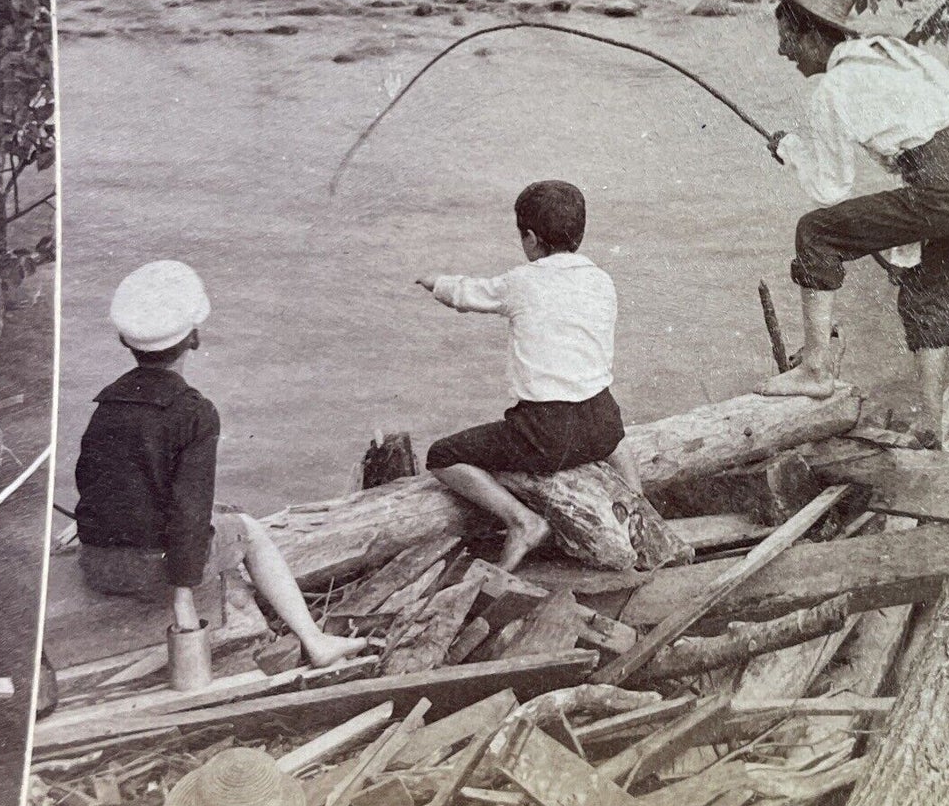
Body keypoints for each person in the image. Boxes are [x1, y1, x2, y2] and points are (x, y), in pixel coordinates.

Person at [759, 0, 949, 448]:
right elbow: (932, 135)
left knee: (815, 233)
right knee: (925, 293)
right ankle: (931, 427)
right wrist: (903, 245)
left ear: (815, 35)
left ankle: (815, 369)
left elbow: (830, 188)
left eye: (788, 41)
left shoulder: (833, 89)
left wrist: (790, 150)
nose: (784, 54)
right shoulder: (892, 53)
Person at [73, 260, 366, 669]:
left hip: (97, 563)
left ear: (125, 340)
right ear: (194, 337)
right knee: (248, 529)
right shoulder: (195, 412)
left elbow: (93, 482)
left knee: (214, 512)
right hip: (149, 573)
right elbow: (189, 513)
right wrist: (183, 596)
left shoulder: (106, 404)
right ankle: (316, 641)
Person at [415, 179, 642, 572]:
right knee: (611, 432)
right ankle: (639, 504)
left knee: (442, 456)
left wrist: (437, 283)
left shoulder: (522, 282)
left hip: (545, 434)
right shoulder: (603, 281)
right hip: (603, 424)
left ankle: (522, 522)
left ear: (532, 239)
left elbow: (471, 294)